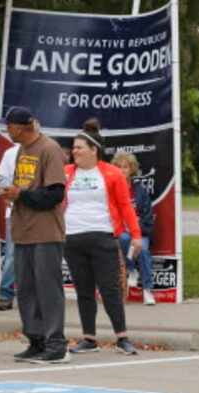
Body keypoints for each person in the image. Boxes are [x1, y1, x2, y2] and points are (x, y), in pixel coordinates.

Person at [63, 118, 141, 355]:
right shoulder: (66, 173)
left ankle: (122, 337)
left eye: (79, 147)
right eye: (73, 147)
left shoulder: (112, 173)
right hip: (72, 237)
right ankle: (89, 338)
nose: (74, 151)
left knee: (110, 289)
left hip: (103, 237)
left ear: (93, 150)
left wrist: (136, 235)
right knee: (83, 290)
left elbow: (125, 206)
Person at [0, 107, 69, 364]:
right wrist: (13, 193)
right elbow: (25, 188)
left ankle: (56, 345)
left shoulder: (48, 149)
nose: (7, 130)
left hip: (45, 232)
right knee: (26, 290)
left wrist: (21, 195)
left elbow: (55, 194)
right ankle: (36, 341)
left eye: (9, 126)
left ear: (22, 127)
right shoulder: (20, 151)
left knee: (48, 290)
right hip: (23, 230)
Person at [111, 151, 156, 306]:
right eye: (119, 167)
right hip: (121, 233)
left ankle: (147, 290)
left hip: (140, 232)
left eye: (126, 167)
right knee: (124, 238)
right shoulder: (111, 190)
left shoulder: (140, 191)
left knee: (142, 249)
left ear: (132, 170)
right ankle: (132, 269)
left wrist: (136, 227)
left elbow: (149, 219)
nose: (122, 170)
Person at [0, 143, 20, 311]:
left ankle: (6, 295)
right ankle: (5, 294)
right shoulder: (11, 153)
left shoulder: (43, 150)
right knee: (12, 254)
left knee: (13, 254)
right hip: (15, 212)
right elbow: (2, 181)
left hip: (32, 212)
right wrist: (9, 198)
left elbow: (2, 180)